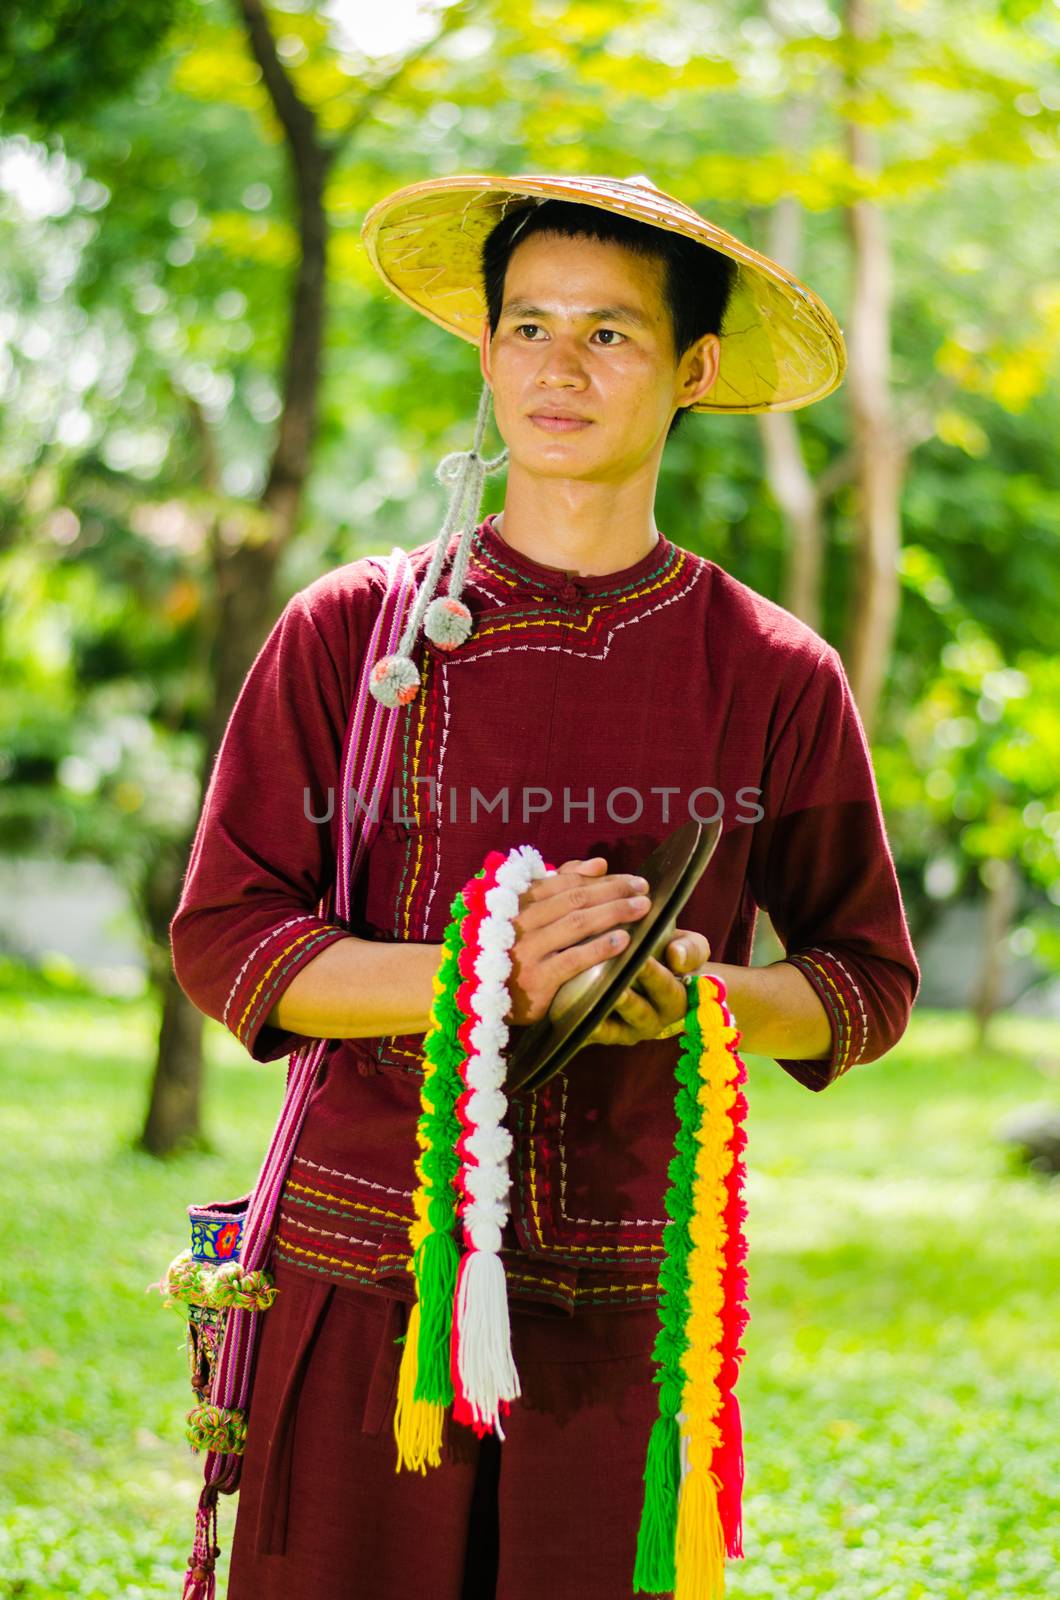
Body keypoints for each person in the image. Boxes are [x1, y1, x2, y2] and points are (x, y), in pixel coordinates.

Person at [169, 173, 919, 1600]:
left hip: (634, 1305)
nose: (557, 368)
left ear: (694, 369)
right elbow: (228, 937)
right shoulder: (356, 630)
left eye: (610, 334)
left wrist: (691, 996)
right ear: (487, 348)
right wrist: (479, 978)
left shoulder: (772, 670)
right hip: (359, 1271)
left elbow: (865, 987)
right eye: (527, 327)